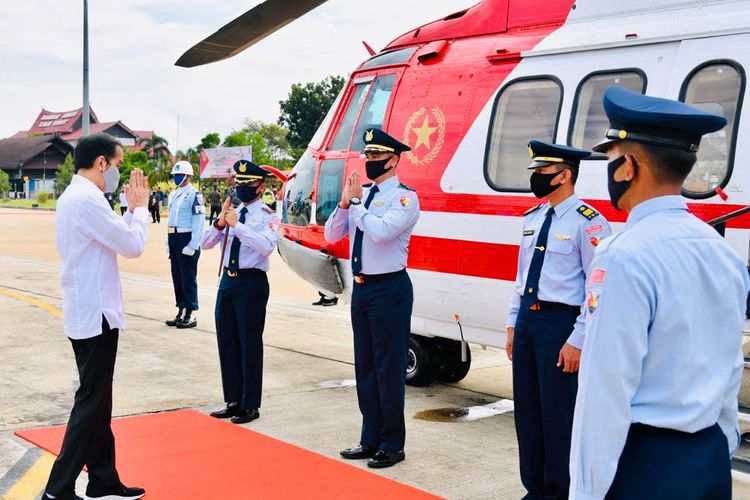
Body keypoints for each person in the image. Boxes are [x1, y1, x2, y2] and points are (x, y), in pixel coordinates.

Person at [569, 87, 749, 500]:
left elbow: (605, 392)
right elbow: (729, 366)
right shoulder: (721, 251)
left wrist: (585, 493)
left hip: (646, 465)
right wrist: (719, 450)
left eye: (611, 159)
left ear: (628, 167)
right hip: (707, 459)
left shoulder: (623, 255)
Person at [43, 133, 148, 500]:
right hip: (96, 315)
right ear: (101, 163)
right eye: (117, 165)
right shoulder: (88, 200)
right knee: (91, 401)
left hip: (87, 311)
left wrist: (127, 214)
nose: (119, 173)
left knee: (99, 400)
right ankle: (58, 488)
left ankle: (103, 480)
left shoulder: (76, 197)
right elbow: (132, 245)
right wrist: (138, 209)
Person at [506, 141, 611, 500]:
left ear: (564, 175)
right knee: (528, 412)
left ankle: (560, 492)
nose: (535, 178)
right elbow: (521, 277)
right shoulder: (533, 219)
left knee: (558, 416)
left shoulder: (589, 222)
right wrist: (512, 323)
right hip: (528, 324)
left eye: (542, 171)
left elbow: (598, 287)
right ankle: (534, 488)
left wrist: (579, 338)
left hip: (560, 326)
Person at [324, 128, 419, 469]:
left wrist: (358, 207)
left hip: (389, 289)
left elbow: (380, 232)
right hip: (362, 288)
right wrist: (344, 204)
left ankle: (392, 443)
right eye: (368, 156)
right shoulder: (361, 196)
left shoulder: (405, 198)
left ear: (393, 160)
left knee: (388, 369)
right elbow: (332, 234)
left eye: (377, 157)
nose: (370, 162)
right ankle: (370, 438)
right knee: (365, 366)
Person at [202, 161, 279, 425]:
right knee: (228, 342)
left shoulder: (268, 216)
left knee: (249, 344)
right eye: (239, 184)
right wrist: (221, 224)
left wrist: (238, 227)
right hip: (228, 282)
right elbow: (204, 244)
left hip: (251, 283)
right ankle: (232, 400)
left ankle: (250, 404)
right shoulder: (233, 213)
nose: (241, 189)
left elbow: (266, 246)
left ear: (260, 186)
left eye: (247, 185)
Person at [165, 161, 205, 329]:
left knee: (188, 277)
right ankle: (181, 310)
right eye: (175, 175)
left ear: (188, 176)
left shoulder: (195, 195)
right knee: (177, 276)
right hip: (174, 237)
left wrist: (193, 244)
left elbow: (199, 220)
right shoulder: (173, 194)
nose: (177, 178)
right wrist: (168, 241)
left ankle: (191, 312)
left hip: (187, 237)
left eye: (180, 175)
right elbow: (170, 218)